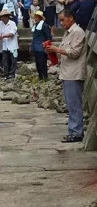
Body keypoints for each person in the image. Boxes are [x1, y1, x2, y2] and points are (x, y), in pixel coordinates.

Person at [45, 9, 87, 143]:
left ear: (71, 18)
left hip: (73, 73)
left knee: (74, 104)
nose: (61, 23)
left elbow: (74, 52)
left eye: (63, 20)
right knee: (71, 104)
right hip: (67, 72)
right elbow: (64, 51)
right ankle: (73, 130)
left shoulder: (77, 32)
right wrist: (53, 51)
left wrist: (56, 49)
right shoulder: (68, 33)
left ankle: (77, 132)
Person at [0, 9, 18, 79]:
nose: (2, 18)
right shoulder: (0, 24)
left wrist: (2, 36)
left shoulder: (12, 23)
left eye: (3, 17)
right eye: (1, 17)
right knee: (5, 60)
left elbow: (12, 33)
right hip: (5, 45)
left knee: (13, 60)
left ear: (7, 17)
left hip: (13, 45)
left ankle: (12, 73)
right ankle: (6, 74)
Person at [31, 10, 52, 81]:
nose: (35, 18)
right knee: (38, 63)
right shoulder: (36, 26)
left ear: (40, 18)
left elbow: (49, 37)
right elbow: (34, 37)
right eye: (35, 17)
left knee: (43, 63)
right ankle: (40, 76)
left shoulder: (45, 26)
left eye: (36, 17)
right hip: (36, 47)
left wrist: (46, 45)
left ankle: (45, 77)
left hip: (42, 48)